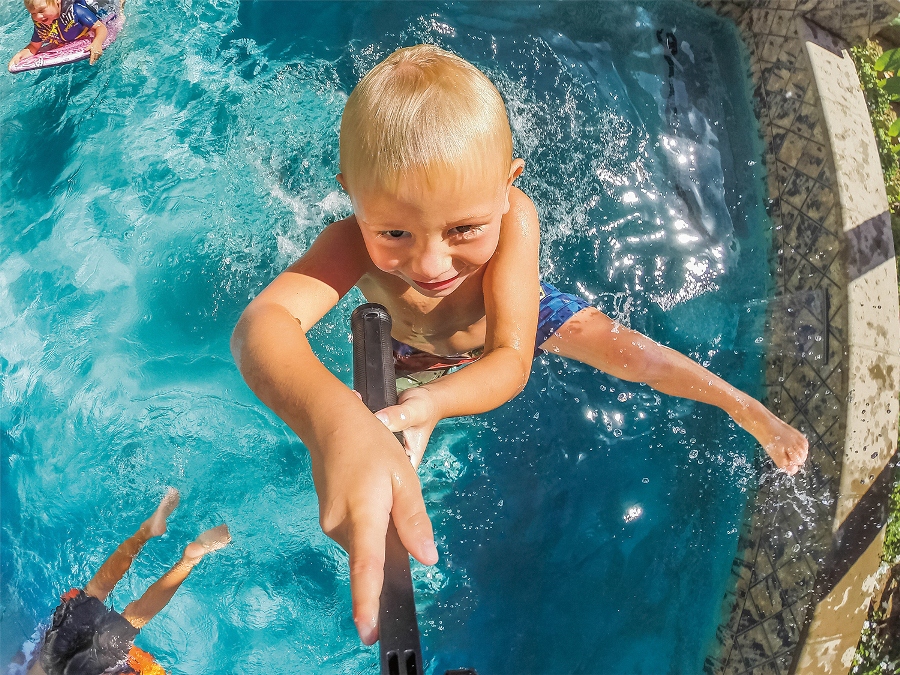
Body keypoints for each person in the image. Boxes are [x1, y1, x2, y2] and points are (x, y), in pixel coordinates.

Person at [230, 43, 809, 646]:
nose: (430, 263)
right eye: (394, 232)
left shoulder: (516, 220)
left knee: (630, 352)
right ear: (350, 193)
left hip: (511, 320)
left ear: (508, 185)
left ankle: (744, 407)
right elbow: (261, 327)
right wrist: (334, 422)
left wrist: (431, 404)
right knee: (384, 464)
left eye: (463, 229)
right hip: (412, 353)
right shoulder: (348, 240)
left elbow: (510, 359)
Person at [24, 488, 230, 675]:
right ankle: (148, 529)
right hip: (48, 660)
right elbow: (22, 657)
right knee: (96, 590)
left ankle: (190, 559)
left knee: (133, 617)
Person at [8, 0, 110, 71]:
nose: (37, 16)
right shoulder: (42, 24)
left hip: (99, 7)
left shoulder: (76, 11)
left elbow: (100, 28)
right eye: (33, 13)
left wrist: (97, 42)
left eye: (41, 10)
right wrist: (20, 55)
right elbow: (34, 46)